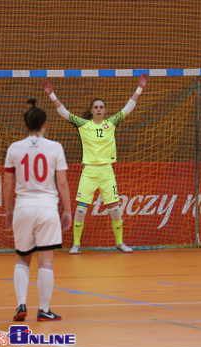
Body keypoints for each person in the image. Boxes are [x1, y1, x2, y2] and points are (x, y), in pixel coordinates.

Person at [42, 73, 148, 254]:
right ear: (91, 110)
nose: (99, 109)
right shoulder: (83, 124)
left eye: (101, 107)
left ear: (105, 110)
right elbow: (64, 113)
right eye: (96, 107)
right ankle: (76, 244)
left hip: (107, 171)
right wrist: (51, 94)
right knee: (81, 211)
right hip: (89, 172)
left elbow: (128, 107)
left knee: (115, 210)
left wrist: (140, 88)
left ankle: (119, 243)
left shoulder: (112, 123)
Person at [4, 98, 72, 321]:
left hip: (23, 206)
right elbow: (62, 183)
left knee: (22, 259)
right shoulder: (55, 147)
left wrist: (8, 210)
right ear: (45, 124)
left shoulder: (14, 148)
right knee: (46, 262)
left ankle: (20, 305)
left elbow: (7, 184)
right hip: (47, 208)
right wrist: (68, 210)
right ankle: (44, 310)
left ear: (26, 125)